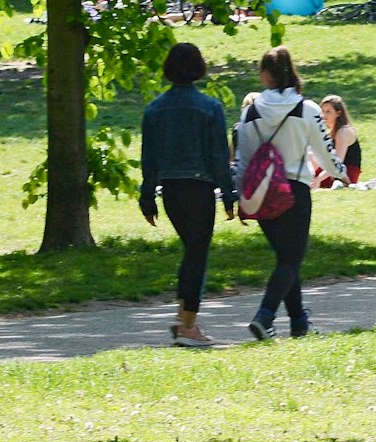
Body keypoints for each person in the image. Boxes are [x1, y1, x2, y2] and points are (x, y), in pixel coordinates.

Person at [232, 46, 342, 340]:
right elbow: (325, 150)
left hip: (261, 191)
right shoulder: (307, 109)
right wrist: (341, 172)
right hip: (294, 188)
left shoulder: (250, 111)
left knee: (286, 258)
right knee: (291, 260)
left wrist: (241, 197)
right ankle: (264, 316)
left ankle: (299, 322)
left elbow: (242, 158)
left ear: (265, 75)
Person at [139, 42, 237, 347]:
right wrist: (229, 194)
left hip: (170, 188)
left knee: (191, 251)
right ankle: (188, 324)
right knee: (198, 253)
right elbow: (219, 156)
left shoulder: (154, 109)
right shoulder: (210, 108)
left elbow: (149, 157)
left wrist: (147, 196)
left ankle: (184, 316)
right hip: (200, 187)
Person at [311, 94, 362, 187]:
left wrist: (318, 179)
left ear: (338, 113)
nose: (324, 115)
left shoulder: (343, 132)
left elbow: (337, 163)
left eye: (328, 112)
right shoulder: (331, 132)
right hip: (331, 171)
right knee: (310, 155)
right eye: (322, 112)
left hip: (345, 175)